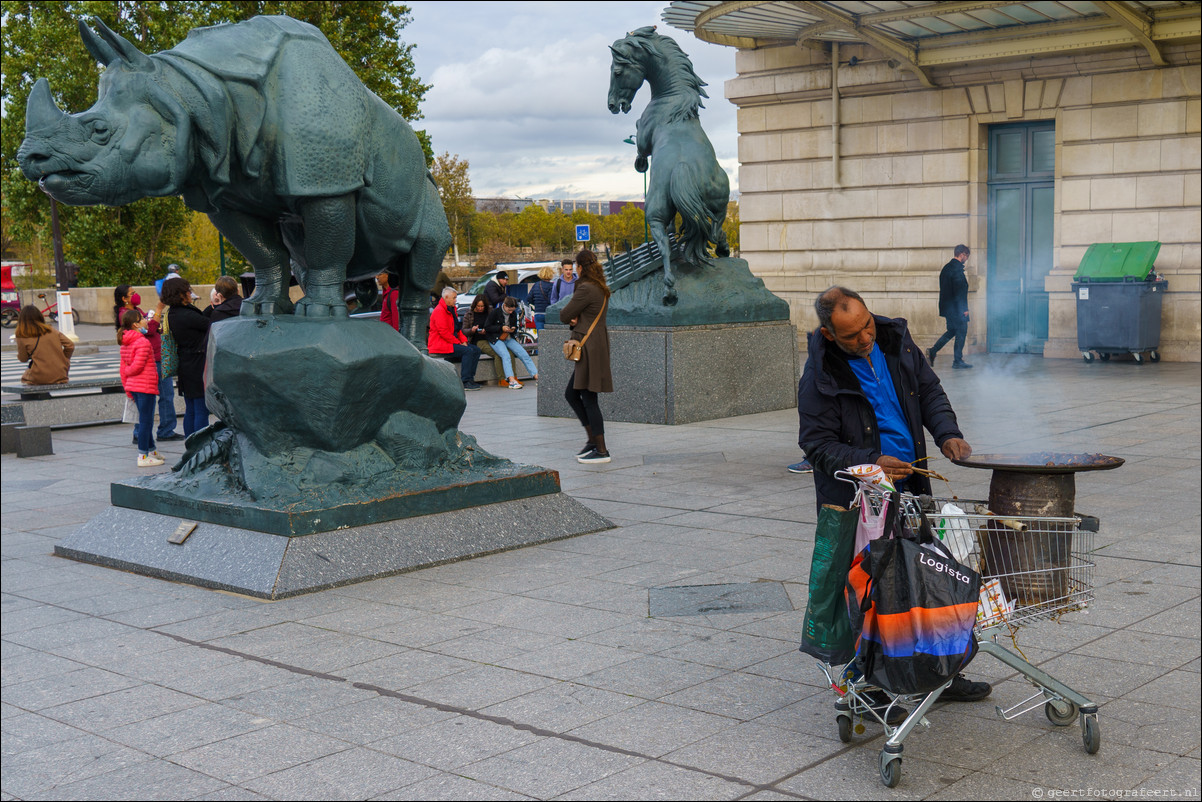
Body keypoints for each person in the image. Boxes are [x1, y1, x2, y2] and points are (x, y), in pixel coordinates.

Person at [797, 285, 989, 704]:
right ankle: (867, 682)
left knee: (930, 580)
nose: (865, 338)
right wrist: (871, 461)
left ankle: (942, 671)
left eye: (866, 325)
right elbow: (816, 445)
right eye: (851, 335)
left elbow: (930, 391)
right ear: (829, 334)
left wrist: (947, 433)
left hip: (913, 489)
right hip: (863, 502)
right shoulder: (820, 377)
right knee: (873, 591)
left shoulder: (896, 343)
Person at [561, 249, 612, 463]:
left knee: (588, 397)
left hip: (588, 348)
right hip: (596, 345)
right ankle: (592, 441)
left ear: (580, 268)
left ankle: (601, 450)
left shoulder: (586, 288)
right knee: (573, 394)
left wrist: (574, 317)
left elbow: (564, 315)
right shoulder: (599, 287)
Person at [128, 290, 184, 443]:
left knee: (162, 397)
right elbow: (150, 329)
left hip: (155, 361)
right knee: (151, 401)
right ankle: (144, 438)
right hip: (151, 364)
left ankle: (149, 435)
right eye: (131, 292)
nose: (135, 294)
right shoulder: (126, 316)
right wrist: (158, 310)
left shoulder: (135, 311)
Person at [161, 277, 211, 435]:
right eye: (188, 290)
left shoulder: (173, 313)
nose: (190, 293)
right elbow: (209, 324)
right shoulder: (186, 315)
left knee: (191, 408)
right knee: (201, 409)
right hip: (196, 364)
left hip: (186, 364)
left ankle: (190, 445)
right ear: (181, 294)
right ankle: (199, 447)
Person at [118, 309, 164, 467]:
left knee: (144, 419)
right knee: (146, 421)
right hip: (145, 386)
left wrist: (127, 386)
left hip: (135, 387)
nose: (146, 320)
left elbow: (122, 367)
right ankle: (143, 455)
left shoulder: (126, 341)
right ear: (136, 324)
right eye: (142, 318)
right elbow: (135, 366)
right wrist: (129, 372)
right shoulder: (143, 342)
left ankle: (151, 450)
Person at [927, 245, 972, 370]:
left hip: (948, 308)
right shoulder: (956, 270)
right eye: (967, 256)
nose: (967, 259)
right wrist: (964, 309)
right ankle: (957, 360)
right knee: (961, 331)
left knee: (952, 331)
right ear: (962, 254)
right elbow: (959, 292)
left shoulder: (946, 268)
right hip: (957, 309)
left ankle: (933, 351)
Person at [428, 287, 482, 390]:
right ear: (446, 297)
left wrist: (464, 341)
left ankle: (470, 378)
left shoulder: (452, 309)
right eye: (454, 298)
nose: (455, 300)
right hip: (440, 343)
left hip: (450, 342)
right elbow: (443, 333)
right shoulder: (439, 311)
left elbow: (458, 329)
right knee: (468, 351)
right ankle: (465, 381)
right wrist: (458, 343)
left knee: (476, 350)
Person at [485, 297, 539, 390]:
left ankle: (536, 376)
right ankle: (511, 380)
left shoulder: (513, 314)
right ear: (504, 305)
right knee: (506, 355)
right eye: (509, 310)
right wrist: (501, 328)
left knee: (523, 354)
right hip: (496, 338)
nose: (510, 312)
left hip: (508, 337)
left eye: (512, 310)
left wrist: (513, 329)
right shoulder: (495, 312)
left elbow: (515, 327)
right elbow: (487, 327)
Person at [15, 305, 74, 385]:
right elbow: (70, 345)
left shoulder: (22, 336)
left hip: (39, 376)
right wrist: (64, 359)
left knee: (26, 379)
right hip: (60, 375)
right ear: (40, 317)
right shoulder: (52, 331)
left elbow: (23, 359)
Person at [461, 296, 507, 385]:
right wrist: (472, 330)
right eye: (478, 306)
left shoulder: (490, 311)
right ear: (475, 305)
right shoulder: (469, 313)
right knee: (497, 354)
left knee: (505, 352)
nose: (480, 308)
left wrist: (488, 330)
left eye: (482, 306)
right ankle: (501, 379)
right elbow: (464, 330)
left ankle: (509, 376)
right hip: (478, 340)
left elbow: (496, 325)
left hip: (491, 338)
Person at [527, 266, 555, 331]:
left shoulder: (536, 285)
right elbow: (551, 300)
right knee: (550, 336)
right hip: (548, 314)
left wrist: (536, 304)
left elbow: (528, 298)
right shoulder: (551, 286)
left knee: (541, 336)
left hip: (538, 313)